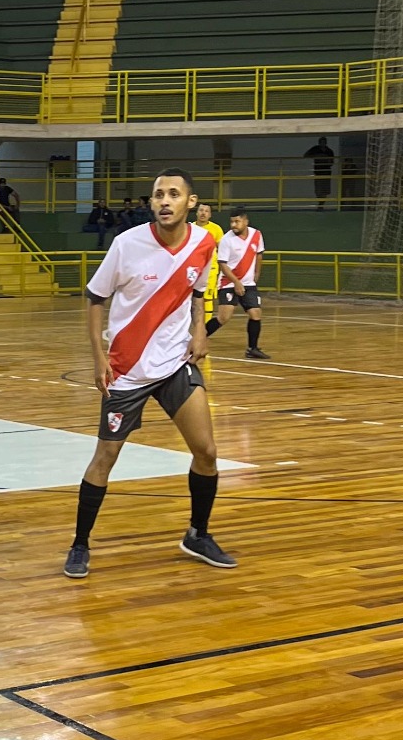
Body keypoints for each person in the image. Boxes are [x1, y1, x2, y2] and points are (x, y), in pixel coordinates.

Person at [63, 168, 234, 580]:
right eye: (158, 194)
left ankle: (197, 534)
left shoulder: (204, 242)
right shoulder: (127, 244)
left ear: (190, 203)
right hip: (127, 370)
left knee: (207, 453)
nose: (164, 201)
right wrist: (98, 356)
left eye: (174, 194)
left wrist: (198, 330)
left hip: (176, 363)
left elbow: (196, 291)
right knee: (104, 459)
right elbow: (93, 298)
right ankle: (79, 544)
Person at [205, 206, 269, 360]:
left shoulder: (256, 235)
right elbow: (223, 264)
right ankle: (199, 337)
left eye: (237, 222)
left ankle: (252, 348)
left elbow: (259, 254)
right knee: (224, 317)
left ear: (245, 221)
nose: (234, 225)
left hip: (248, 283)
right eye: (232, 222)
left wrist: (257, 273)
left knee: (255, 314)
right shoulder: (227, 240)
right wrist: (236, 283)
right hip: (228, 283)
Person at [193, 200, 225, 328]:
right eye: (201, 210)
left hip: (210, 269)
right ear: (196, 212)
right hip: (193, 268)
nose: (203, 213)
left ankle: (204, 329)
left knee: (207, 298)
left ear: (210, 214)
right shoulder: (190, 228)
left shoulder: (216, 229)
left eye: (206, 211)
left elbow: (222, 249)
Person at [304, 136, 336, 210]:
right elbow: (306, 155)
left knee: (325, 189)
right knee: (318, 189)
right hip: (318, 172)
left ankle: (321, 204)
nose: (323, 143)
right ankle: (320, 202)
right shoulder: (315, 149)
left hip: (327, 172)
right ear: (319, 143)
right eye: (321, 142)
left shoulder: (329, 151)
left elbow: (332, 162)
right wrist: (317, 156)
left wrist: (326, 160)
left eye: (324, 142)